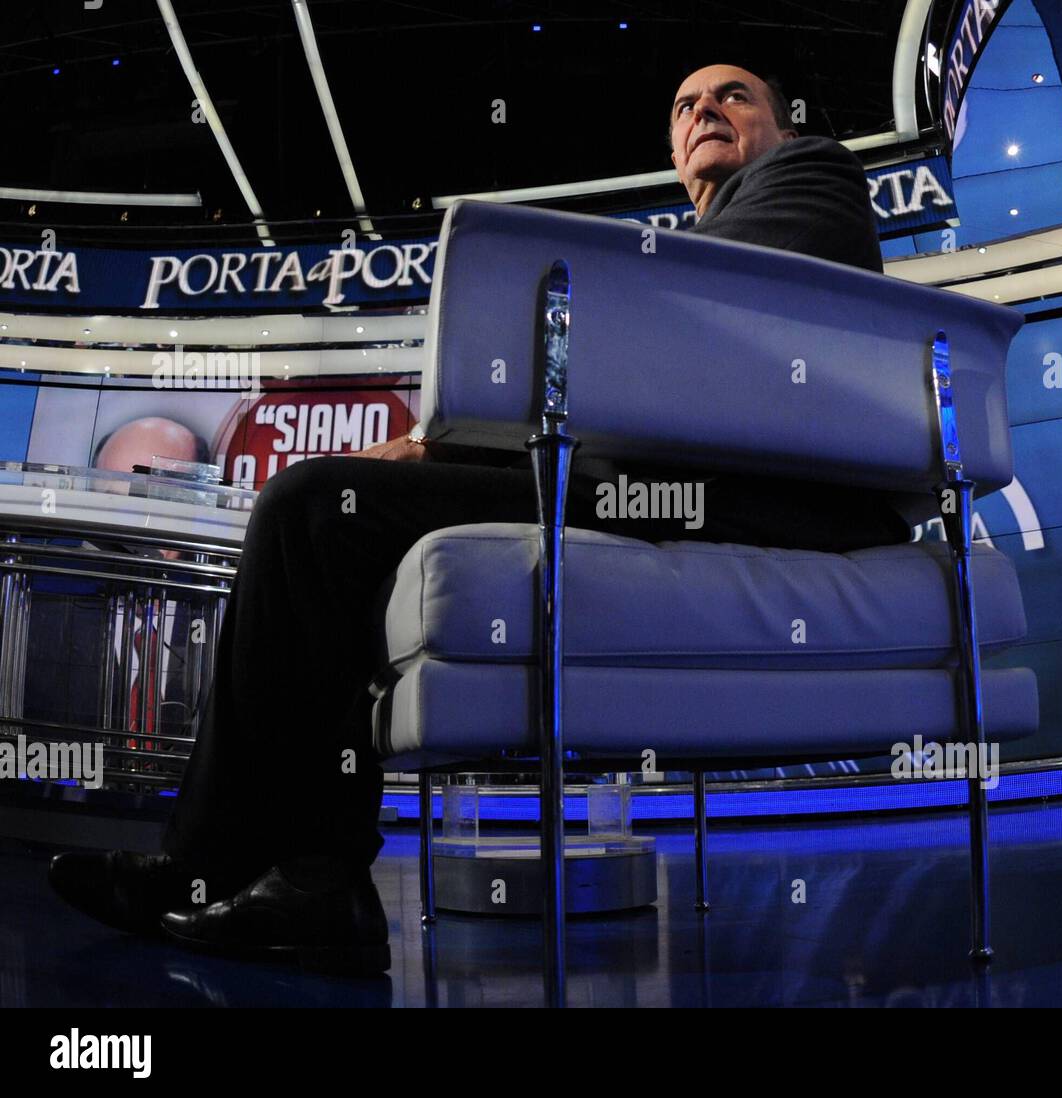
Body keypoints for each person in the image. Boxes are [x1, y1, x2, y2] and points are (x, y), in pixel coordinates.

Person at [49, 63, 903, 975]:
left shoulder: (811, 173)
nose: (706, 113)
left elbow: (681, 332)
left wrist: (437, 446)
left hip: (735, 498)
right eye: (686, 106)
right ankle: (275, 873)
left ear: (781, 124)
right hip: (644, 486)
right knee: (321, 512)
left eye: (733, 97)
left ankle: (250, 871)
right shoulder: (691, 236)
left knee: (312, 510)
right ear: (670, 147)